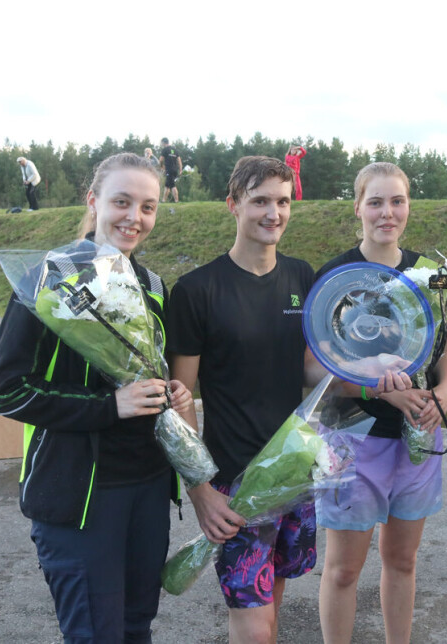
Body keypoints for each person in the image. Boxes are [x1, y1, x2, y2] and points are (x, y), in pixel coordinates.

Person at [167, 156, 407, 644]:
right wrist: (201, 490)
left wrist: (367, 375)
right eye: (260, 201)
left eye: (282, 201)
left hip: (296, 474)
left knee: (271, 609)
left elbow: (308, 369)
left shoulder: (302, 278)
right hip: (236, 482)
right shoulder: (197, 291)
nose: (272, 213)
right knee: (254, 627)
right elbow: (180, 402)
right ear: (233, 205)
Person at [0, 152, 192, 643]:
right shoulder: (48, 278)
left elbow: (148, 371)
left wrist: (172, 394)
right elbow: (9, 391)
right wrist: (111, 406)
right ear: (94, 201)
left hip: (146, 487)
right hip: (80, 495)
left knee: (135, 626)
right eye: (122, 202)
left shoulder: (153, 286)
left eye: (147, 207)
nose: (134, 217)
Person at [315, 162, 447, 644]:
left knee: (402, 560)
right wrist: (385, 392)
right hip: (352, 438)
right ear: (357, 207)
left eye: (396, 201)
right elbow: (317, 375)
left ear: (408, 206)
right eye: (375, 201)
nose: (387, 212)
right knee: (342, 570)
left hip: (416, 437)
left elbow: (446, 351)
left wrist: (445, 394)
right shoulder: (334, 277)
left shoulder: (429, 275)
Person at [158, 138, 182, 202]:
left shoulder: (165, 150)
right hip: (175, 170)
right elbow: (179, 161)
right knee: (167, 185)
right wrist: (180, 170)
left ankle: (177, 201)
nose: (161, 144)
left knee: (172, 185)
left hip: (169, 169)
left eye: (161, 143)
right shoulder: (175, 149)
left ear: (163, 142)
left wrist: (161, 167)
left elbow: (160, 160)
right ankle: (163, 200)